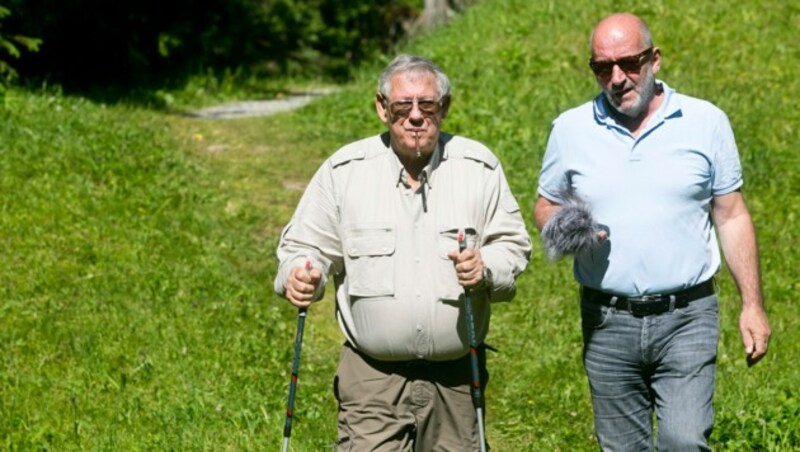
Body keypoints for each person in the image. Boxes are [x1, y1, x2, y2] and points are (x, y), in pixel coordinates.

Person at [533, 12, 771, 451]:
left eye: (629, 63)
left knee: (684, 441)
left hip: (687, 315)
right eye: (603, 68)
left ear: (655, 59)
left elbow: (731, 214)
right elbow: (546, 204)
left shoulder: (705, 121)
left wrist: (751, 305)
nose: (618, 78)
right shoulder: (571, 129)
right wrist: (568, 228)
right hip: (607, 320)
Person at [275, 54, 531, 450]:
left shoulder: (477, 168)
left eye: (427, 105)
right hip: (372, 380)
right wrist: (300, 273)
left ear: (444, 108)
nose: (415, 116)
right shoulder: (345, 172)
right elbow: (305, 247)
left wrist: (487, 268)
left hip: (457, 379)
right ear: (382, 108)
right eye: (402, 106)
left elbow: (512, 245)